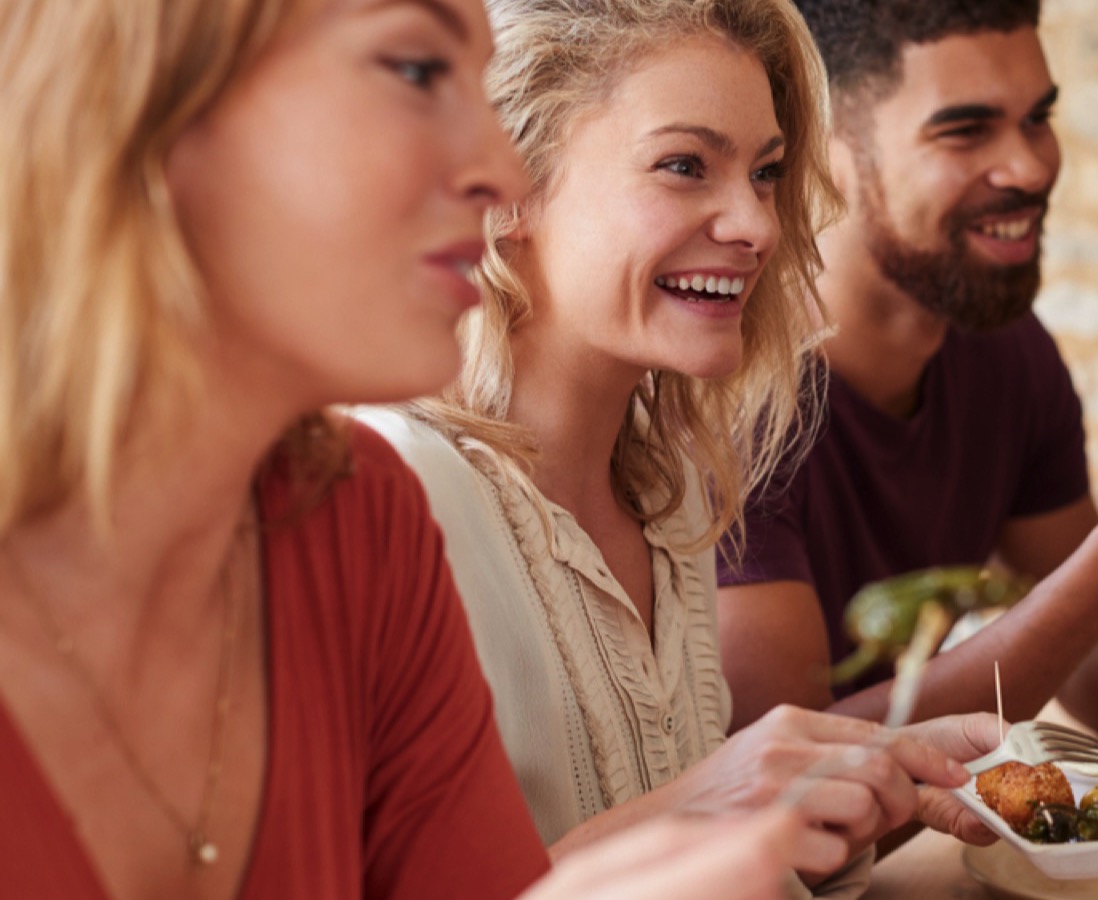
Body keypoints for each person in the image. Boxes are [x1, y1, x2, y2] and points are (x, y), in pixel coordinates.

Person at [0, 0, 841, 897]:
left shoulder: (361, 517)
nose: (496, 169)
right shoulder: (408, 480)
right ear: (150, 106)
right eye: (413, 72)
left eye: (767, 174)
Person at [361, 1, 1003, 893]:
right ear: (508, 185)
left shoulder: (674, 501)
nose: (757, 226)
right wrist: (708, 801)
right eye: (683, 165)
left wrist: (850, 779)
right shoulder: (396, 490)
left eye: (768, 173)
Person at [716, 0, 1098, 744]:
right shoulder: (733, 403)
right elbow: (780, 797)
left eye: (1038, 118)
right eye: (967, 130)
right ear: (825, 151)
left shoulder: (1005, 354)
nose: (1032, 165)